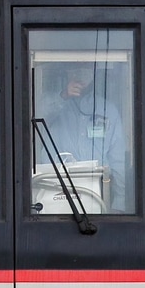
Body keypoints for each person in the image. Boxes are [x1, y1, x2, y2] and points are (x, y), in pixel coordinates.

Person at [38, 62, 130, 211]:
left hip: (98, 188)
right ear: (67, 72)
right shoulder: (51, 103)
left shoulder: (108, 110)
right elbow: (36, 119)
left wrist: (119, 202)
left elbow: (117, 159)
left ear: (93, 73)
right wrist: (64, 96)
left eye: (85, 69)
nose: (80, 75)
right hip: (55, 186)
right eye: (75, 69)